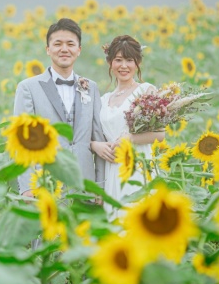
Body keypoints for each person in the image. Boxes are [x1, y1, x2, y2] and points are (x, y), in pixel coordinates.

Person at [13, 18, 105, 197]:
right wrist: (27, 188)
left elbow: (98, 138)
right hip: (45, 186)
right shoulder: (28, 88)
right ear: (48, 49)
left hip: (85, 188)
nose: (64, 49)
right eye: (58, 44)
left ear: (79, 50)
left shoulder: (90, 87)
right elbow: (22, 142)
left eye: (70, 44)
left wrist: (100, 188)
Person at [91, 35, 165, 217]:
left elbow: (160, 134)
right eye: (118, 60)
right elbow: (93, 135)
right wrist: (94, 146)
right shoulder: (103, 99)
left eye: (129, 60)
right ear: (110, 63)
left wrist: (130, 137)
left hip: (138, 165)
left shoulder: (146, 91)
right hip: (111, 169)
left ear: (137, 63)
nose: (123, 66)